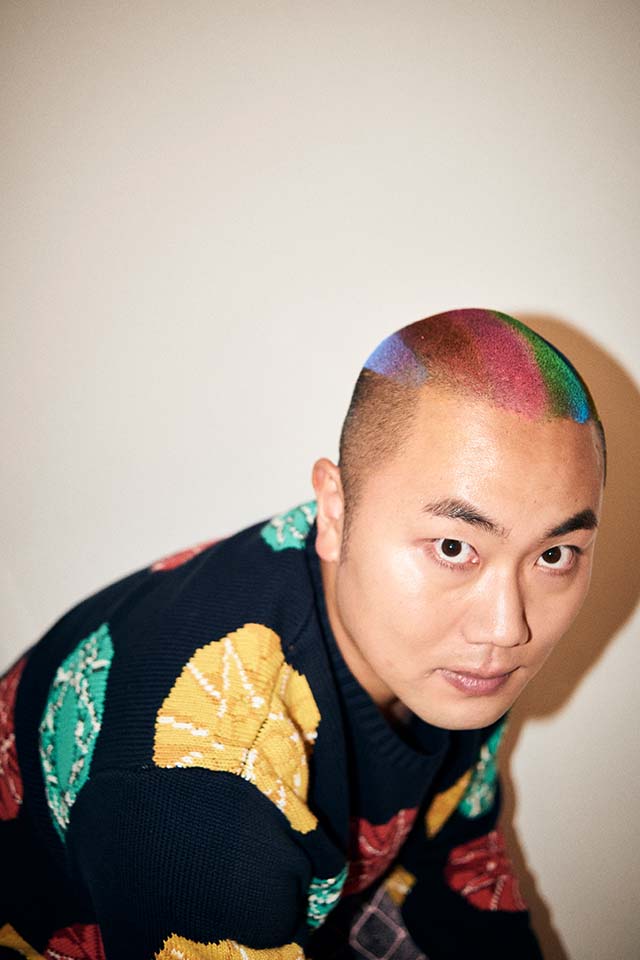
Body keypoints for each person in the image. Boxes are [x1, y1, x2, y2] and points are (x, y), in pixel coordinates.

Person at [0, 308, 605, 960]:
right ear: (336, 513)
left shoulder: (448, 658)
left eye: (554, 555)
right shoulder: (206, 792)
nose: (506, 628)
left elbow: (462, 870)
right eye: (454, 547)